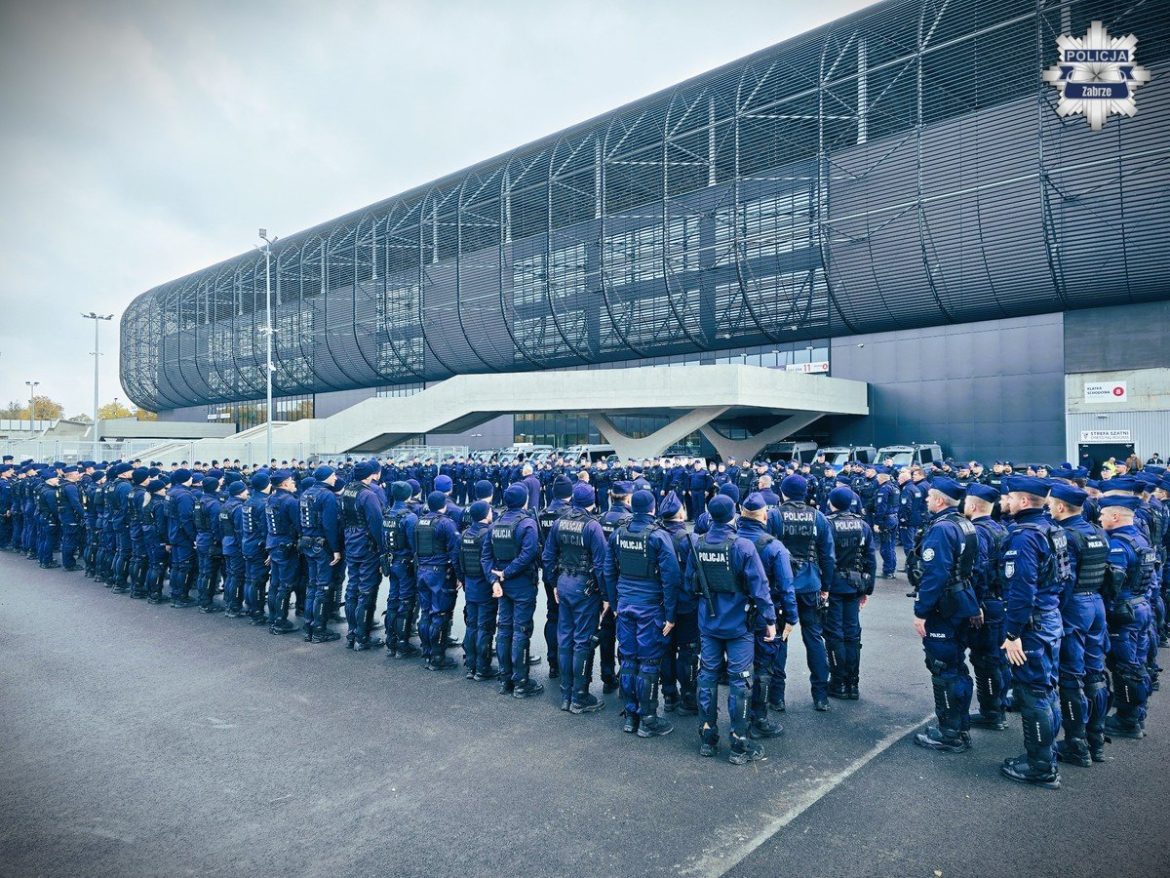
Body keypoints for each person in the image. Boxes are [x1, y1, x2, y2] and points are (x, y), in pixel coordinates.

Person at [686, 495, 777, 764]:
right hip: (739, 625)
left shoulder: (697, 544)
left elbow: (689, 583)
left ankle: (707, 738)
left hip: (709, 623)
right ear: (734, 515)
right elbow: (760, 589)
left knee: (707, 677)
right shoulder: (743, 546)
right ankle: (739, 743)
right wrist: (770, 620)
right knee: (740, 682)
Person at [998, 476, 1068, 789]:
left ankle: (1040, 766)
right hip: (1049, 618)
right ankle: (1046, 755)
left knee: (1033, 693)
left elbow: (1021, 589)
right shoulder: (1053, 528)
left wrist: (1013, 634)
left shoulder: (1025, 537)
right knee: (1046, 689)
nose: (1007, 502)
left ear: (1024, 501)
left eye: (1010, 497)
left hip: (1032, 625)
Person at [603, 489, 681, 737]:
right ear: (653, 507)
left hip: (625, 604)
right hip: (650, 607)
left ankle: (631, 715)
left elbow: (608, 571)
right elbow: (671, 577)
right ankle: (648, 719)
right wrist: (670, 614)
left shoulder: (617, 534)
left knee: (628, 659)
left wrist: (615, 605)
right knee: (648, 662)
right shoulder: (658, 536)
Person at [912, 477, 980, 755]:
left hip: (945, 606)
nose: (926, 500)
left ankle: (949, 733)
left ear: (940, 500)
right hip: (963, 600)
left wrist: (921, 611)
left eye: (929, 497)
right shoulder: (965, 523)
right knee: (957, 667)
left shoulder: (941, 529)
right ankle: (959, 726)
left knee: (943, 668)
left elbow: (935, 574)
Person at [1048, 482, 1111, 764]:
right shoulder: (1097, 531)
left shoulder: (1065, 535)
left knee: (1071, 677)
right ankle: (1095, 740)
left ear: (1061, 507)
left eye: (1051, 504)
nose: (1048, 507)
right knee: (1095, 673)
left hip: (1075, 607)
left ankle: (1076, 744)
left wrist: (1055, 612)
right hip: (1096, 603)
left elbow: (1065, 580)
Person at [543, 483, 608, 713]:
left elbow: (548, 556)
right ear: (592, 501)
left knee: (565, 638)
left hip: (564, 583)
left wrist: (554, 584)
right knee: (582, 640)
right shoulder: (592, 526)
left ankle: (566, 693)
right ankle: (579, 696)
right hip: (584, 587)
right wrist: (606, 595)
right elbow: (601, 565)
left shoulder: (559, 522)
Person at [774, 474, 835, 711]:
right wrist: (826, 588)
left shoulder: (775, 515)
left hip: (782, 585)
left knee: (780, 638)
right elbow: (828, 556)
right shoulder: (818, 517)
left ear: (783, 493)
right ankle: (821, 695)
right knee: (814, 639)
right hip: (811, 583)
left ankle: (777, 696)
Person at [737, 493, 796, 736]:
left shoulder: (731, 539)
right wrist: (791, 617)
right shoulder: (774, 546)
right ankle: (759, 720)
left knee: (737, 669)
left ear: (741, 512)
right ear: (765, 515)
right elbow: (786, 586)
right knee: (763, 668)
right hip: (764, 615)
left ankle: (737, 719)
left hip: (732, 614)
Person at [1100, 493, 1155, 740]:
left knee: (1124, 667)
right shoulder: (1140, 539)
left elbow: (1113, 581)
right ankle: (1137, 713)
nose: (1099, 517)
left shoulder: (1118, 544)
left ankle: (1127, 720)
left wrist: (1105, 606)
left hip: (1124, 611)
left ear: (1115, 516)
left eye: (1102, 514)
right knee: (1138, 663)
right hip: (1141, 606)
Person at [485, 484, 543, 698]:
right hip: (521, 583)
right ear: (525, 500)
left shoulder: (496, 523)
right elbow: (529, 554)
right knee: (521, 631)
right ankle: (521, 682)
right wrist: (506, 574)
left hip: (503, 583)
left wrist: (494, 579)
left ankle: (505, 678)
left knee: (504, 629)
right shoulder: (527, 523)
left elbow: (486, 556)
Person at [964, 483, 1010, 731]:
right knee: (999, 657)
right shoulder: (1001, 529)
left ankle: (991, 712)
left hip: (987, 602)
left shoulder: (978, 532)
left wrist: (975, 603)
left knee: (985, 659)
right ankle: (998, 705)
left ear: (972, 505)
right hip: (1001, 599)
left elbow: (978, 570)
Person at [824, 486, 876, 700]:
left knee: (835, 634)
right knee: (852, 634)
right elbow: (870, 559)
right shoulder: (863, 525)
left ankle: (838, 683)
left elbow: (825, 559)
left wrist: (823, 587)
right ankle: (852, 683)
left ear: (831, 503)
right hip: (855, 585)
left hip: (834, 585)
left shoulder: (827, 524)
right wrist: (867, 589)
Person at [657, 491, 700, 716]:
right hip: (685, 603)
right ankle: (689, 697)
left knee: (666, 650)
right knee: (688, 651)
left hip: (660, 603)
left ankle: (669, 695)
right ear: (681, 513)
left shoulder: (654, 535)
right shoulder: (689, 539)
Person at [414, 490, 461, 670]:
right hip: (440, 573)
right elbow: (454, 552)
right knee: (440, 615)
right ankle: (437, 657)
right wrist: (459, 576)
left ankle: (427, 651)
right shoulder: (446, 523)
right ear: (444, 505)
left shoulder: (419, 521)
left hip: (422, 571)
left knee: (425, 613)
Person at [340, 462, 385, 650]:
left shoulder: (348, 490)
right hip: (366, 545)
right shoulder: (368, 494)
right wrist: (382, 549)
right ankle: (362, 636)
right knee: (366, 590)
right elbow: (376, 523)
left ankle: (351, 633)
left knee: (352, 588)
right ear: (370, 475)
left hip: (351, 541)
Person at [299, 466, 343, 643]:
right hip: (321, 545)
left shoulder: (306, 493)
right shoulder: (327, 495)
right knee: (323, 587)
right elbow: (329, 525)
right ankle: (319, 629)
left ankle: (309, 626)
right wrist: (335, 549)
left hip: (307, 543)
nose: (335, 479)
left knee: (312, 585)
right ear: (326, 477)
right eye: (333, 476)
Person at [381, 481, 419, 658]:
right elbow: (414, 545)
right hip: (405, 563)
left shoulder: (388, 514)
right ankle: (402, 643)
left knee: (392, 599)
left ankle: (391, 639)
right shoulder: (409, 517)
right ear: (408, 495)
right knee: (405, 601)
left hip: (392, 560)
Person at [460, 500, 497, 680]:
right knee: (485, 627)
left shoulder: (465, 533)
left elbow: (458, 561)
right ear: (485, 514)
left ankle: (471, 665)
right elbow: (490, 561)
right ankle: (483, 668)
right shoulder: (487, 534)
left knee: (472, 625)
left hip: (470, 584)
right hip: (484, 586)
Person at [264, 470, 302, 634]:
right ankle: (280, 621)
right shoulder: (290, 501)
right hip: (286, 544)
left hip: (273, 542)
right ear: (285, 483)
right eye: (292, 481)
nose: (294, 483)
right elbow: (299, 525)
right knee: (285, 585)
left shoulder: (271, 498)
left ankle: (274, 617)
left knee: (275, 583)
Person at [872, 466, 898, 579]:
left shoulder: (884, 489)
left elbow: (881, 507)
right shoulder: (895, 487)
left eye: (878, 477)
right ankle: (891, 569)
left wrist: (877, 522)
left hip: (886, 519)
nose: (876, 479)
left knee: (886, 547)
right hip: (894, 518)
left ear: (882, 477)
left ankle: (888, 571)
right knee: (891, 546)